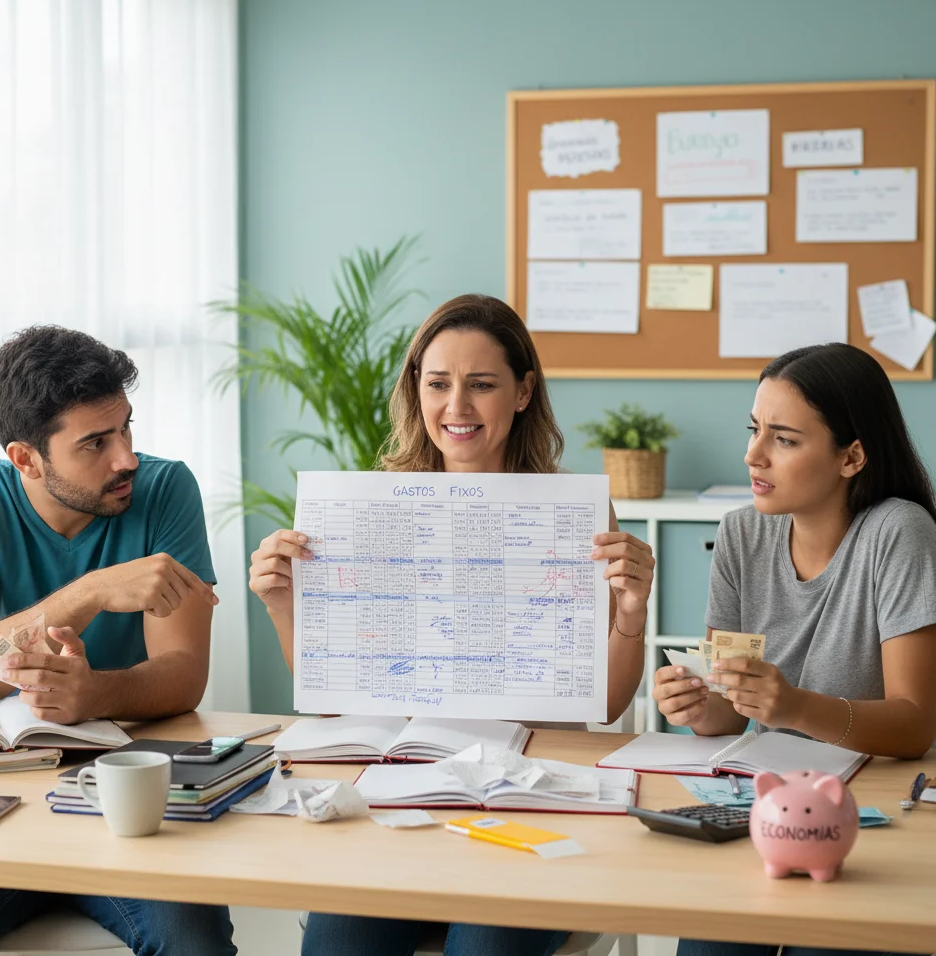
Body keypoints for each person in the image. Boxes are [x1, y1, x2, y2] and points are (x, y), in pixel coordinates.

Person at [249, 293, 654, 956]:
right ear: (417, 389)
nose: (456, 408)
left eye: (482, 385)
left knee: (482, 948)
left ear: (523, 392)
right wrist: (282, 605)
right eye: (437, 384)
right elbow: (336, 691)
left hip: (523, 802)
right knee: (336, 944)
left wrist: (630, 616)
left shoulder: (575, 516)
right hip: (403, 803)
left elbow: (606, 704)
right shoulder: (370, 509)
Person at [0, 326, 237, 956]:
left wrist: (93, 693)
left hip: (128, 789)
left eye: (126, 429)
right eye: (95, 443)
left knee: (194, 943)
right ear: (26, 458)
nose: (125, 457)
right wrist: (89, 592)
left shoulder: (165, 488)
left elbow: (184, 673)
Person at [653, 343, 936, 956]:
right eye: (754, 429)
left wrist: (789, 706)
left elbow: (913, 723)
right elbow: (730, 708)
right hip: (765, 807)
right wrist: (694, 704)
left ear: (852, 456)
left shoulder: (900, 534)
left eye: (784, 439)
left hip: (882, 811)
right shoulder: (741, 532)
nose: (753, 454)